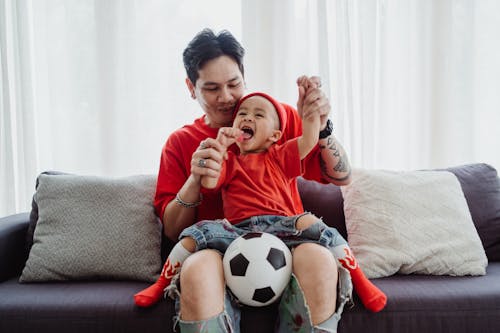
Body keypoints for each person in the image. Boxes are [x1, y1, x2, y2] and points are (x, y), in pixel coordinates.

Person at [136, 28, 359, 332]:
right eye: (212, 88)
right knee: (198, 268)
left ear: (244, 77)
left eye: (233, 84)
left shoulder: (276, 120)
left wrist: (320, 126)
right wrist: (196, 179)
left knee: (319, 259)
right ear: (191, 88)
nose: (226, 98)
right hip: (218, 248)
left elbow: (341, 175)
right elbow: (174, 229)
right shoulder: (180, 143)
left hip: (286, 241)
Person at [135, 90, 387, 322]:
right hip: (236, 232)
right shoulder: (230, 161)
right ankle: (160, 285)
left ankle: (361, 282)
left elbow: (309, 140)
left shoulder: (281, 154)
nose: (247, 118)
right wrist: (220, 147)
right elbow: (210, 181)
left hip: (284, 226)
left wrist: (311, 116)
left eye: (258, 115)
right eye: (242, 115)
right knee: (194, 234)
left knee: (314, 223)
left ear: (275, 135)